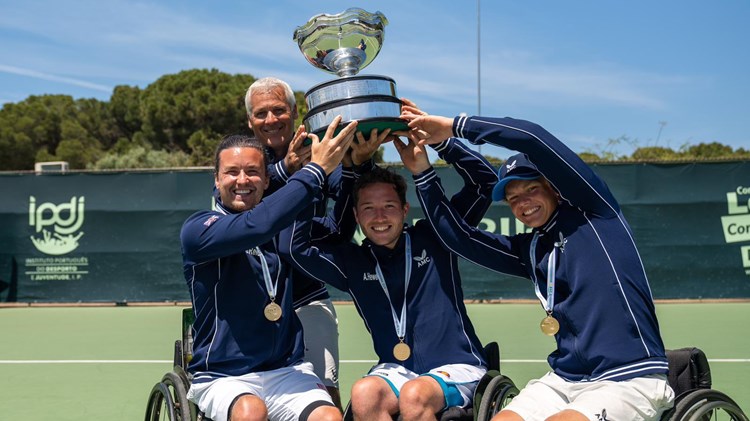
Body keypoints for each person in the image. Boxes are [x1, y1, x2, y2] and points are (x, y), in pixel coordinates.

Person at [398, 111, 675, 421]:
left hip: (628, 378)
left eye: (531, 190)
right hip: (564, 381)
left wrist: (451, 132)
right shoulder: (530, 248)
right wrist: (422, 172)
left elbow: (532, 137)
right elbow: (460, 238)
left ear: (553, 188)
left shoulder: (595, 213)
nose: (523, 202)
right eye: (513, 198)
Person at [279, 126, 499, 420]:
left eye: (389, 206)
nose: (379, 217)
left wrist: (440, 146)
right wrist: (313, 174)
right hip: (396, 371)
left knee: (415, 395)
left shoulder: (437, 237)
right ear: (356, 216)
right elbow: (293, 247)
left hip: (457, 366)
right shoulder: (352, 262)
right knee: (364, 394)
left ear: (405, 209)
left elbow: (485, 183)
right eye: (368, 208)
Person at [179, 117, 357, 421]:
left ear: (265, 180)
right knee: (250, 411)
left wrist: (355, 167)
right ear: (217, 179)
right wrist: (315, 171)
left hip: (286, 370)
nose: (242, 180)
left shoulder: (282, 226)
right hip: (224, 375)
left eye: (252, 172)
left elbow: (337, 231)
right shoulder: (199, 229)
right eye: (232, 172)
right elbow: (256, 225)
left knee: (329, 417)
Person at [245, 76, 388, 410]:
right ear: (250, 121)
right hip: (250, 301)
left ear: (295, 114)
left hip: (308, 297)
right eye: (261, 113)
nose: (271, 120)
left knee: (326, 397)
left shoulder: (324, 150)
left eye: (279, 110)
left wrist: (359, 163)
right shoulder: (244, 157)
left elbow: (346, 216)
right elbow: (234, 206)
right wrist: (286, 170)